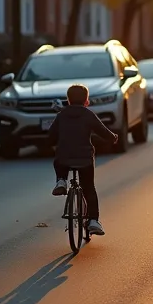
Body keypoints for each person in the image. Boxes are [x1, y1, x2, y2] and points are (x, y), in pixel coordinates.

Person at [48, 84, 120, 235]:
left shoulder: (61, 115)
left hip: (64, 157)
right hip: (85, 159)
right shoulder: (88, 115)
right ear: (86, 100)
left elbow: (51, 136)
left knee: (59, 159)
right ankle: (93, 220)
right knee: (88, 188)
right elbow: (103, 131)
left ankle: (61, 180)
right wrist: (113, 138)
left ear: (68, 100)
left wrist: (54, 142)